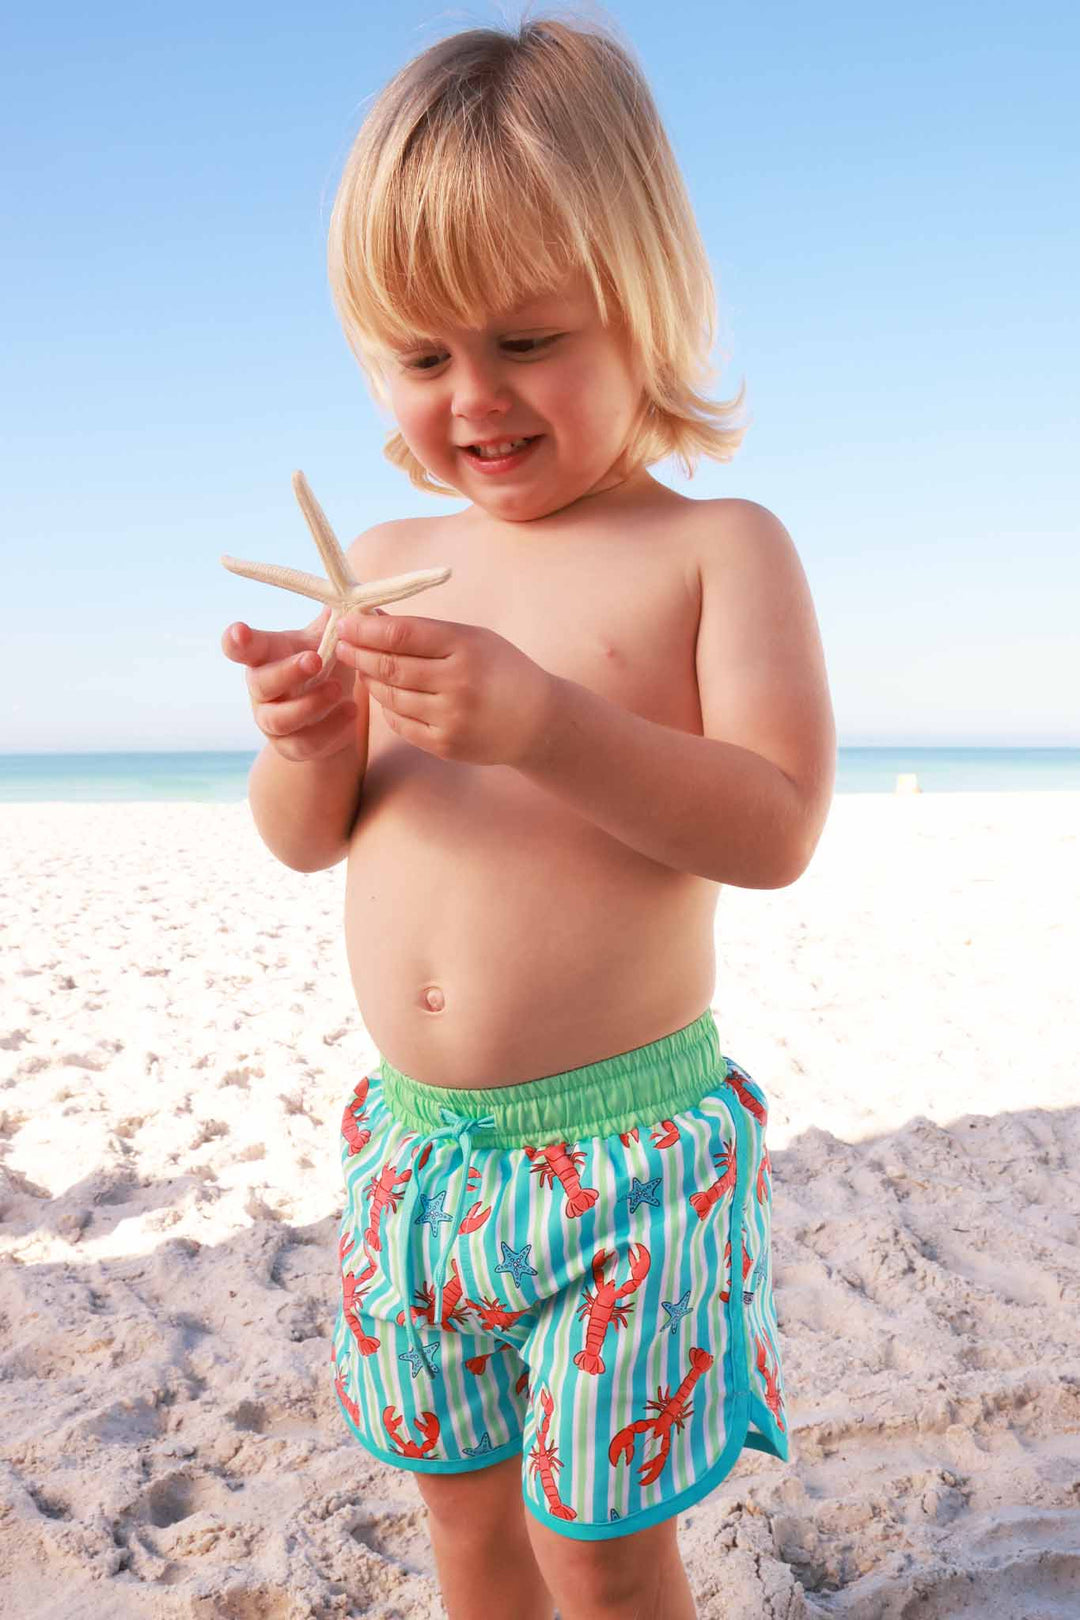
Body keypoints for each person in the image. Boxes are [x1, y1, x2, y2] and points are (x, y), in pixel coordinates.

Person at [221, 14, 835, 1619]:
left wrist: (549, 723)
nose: (472, 399)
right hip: (415, 1160)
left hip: (625, 1161)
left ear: (643, 306)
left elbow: (773, 827)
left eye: (526, 340)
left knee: (604, 1550)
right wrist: (305, 737)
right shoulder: (385, 554)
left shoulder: (717, 552)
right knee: (468, 1528)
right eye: (422, 359)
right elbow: (307, 835)